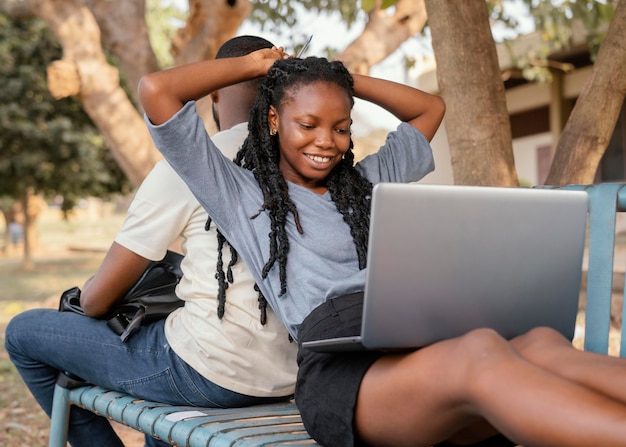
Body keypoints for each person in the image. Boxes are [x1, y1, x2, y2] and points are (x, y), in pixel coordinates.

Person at [138, 47, 626, 447]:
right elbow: (157, 90)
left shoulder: (372, 182)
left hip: (419, 336)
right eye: (308, 124)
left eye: (341, 126)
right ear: (271, 121)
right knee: (480, 353)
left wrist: (341, 80)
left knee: (541, 343)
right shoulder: (241, 192)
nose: (325, 141)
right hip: (343, 366)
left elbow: (429, 108)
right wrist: (259, 66)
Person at [4, 36, 298, 447]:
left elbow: (96, 302)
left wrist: (88, 297)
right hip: (290, 374)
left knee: (23, 332)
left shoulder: (196, 161)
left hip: (212, 374)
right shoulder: (307, 164)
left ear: (213, 91)